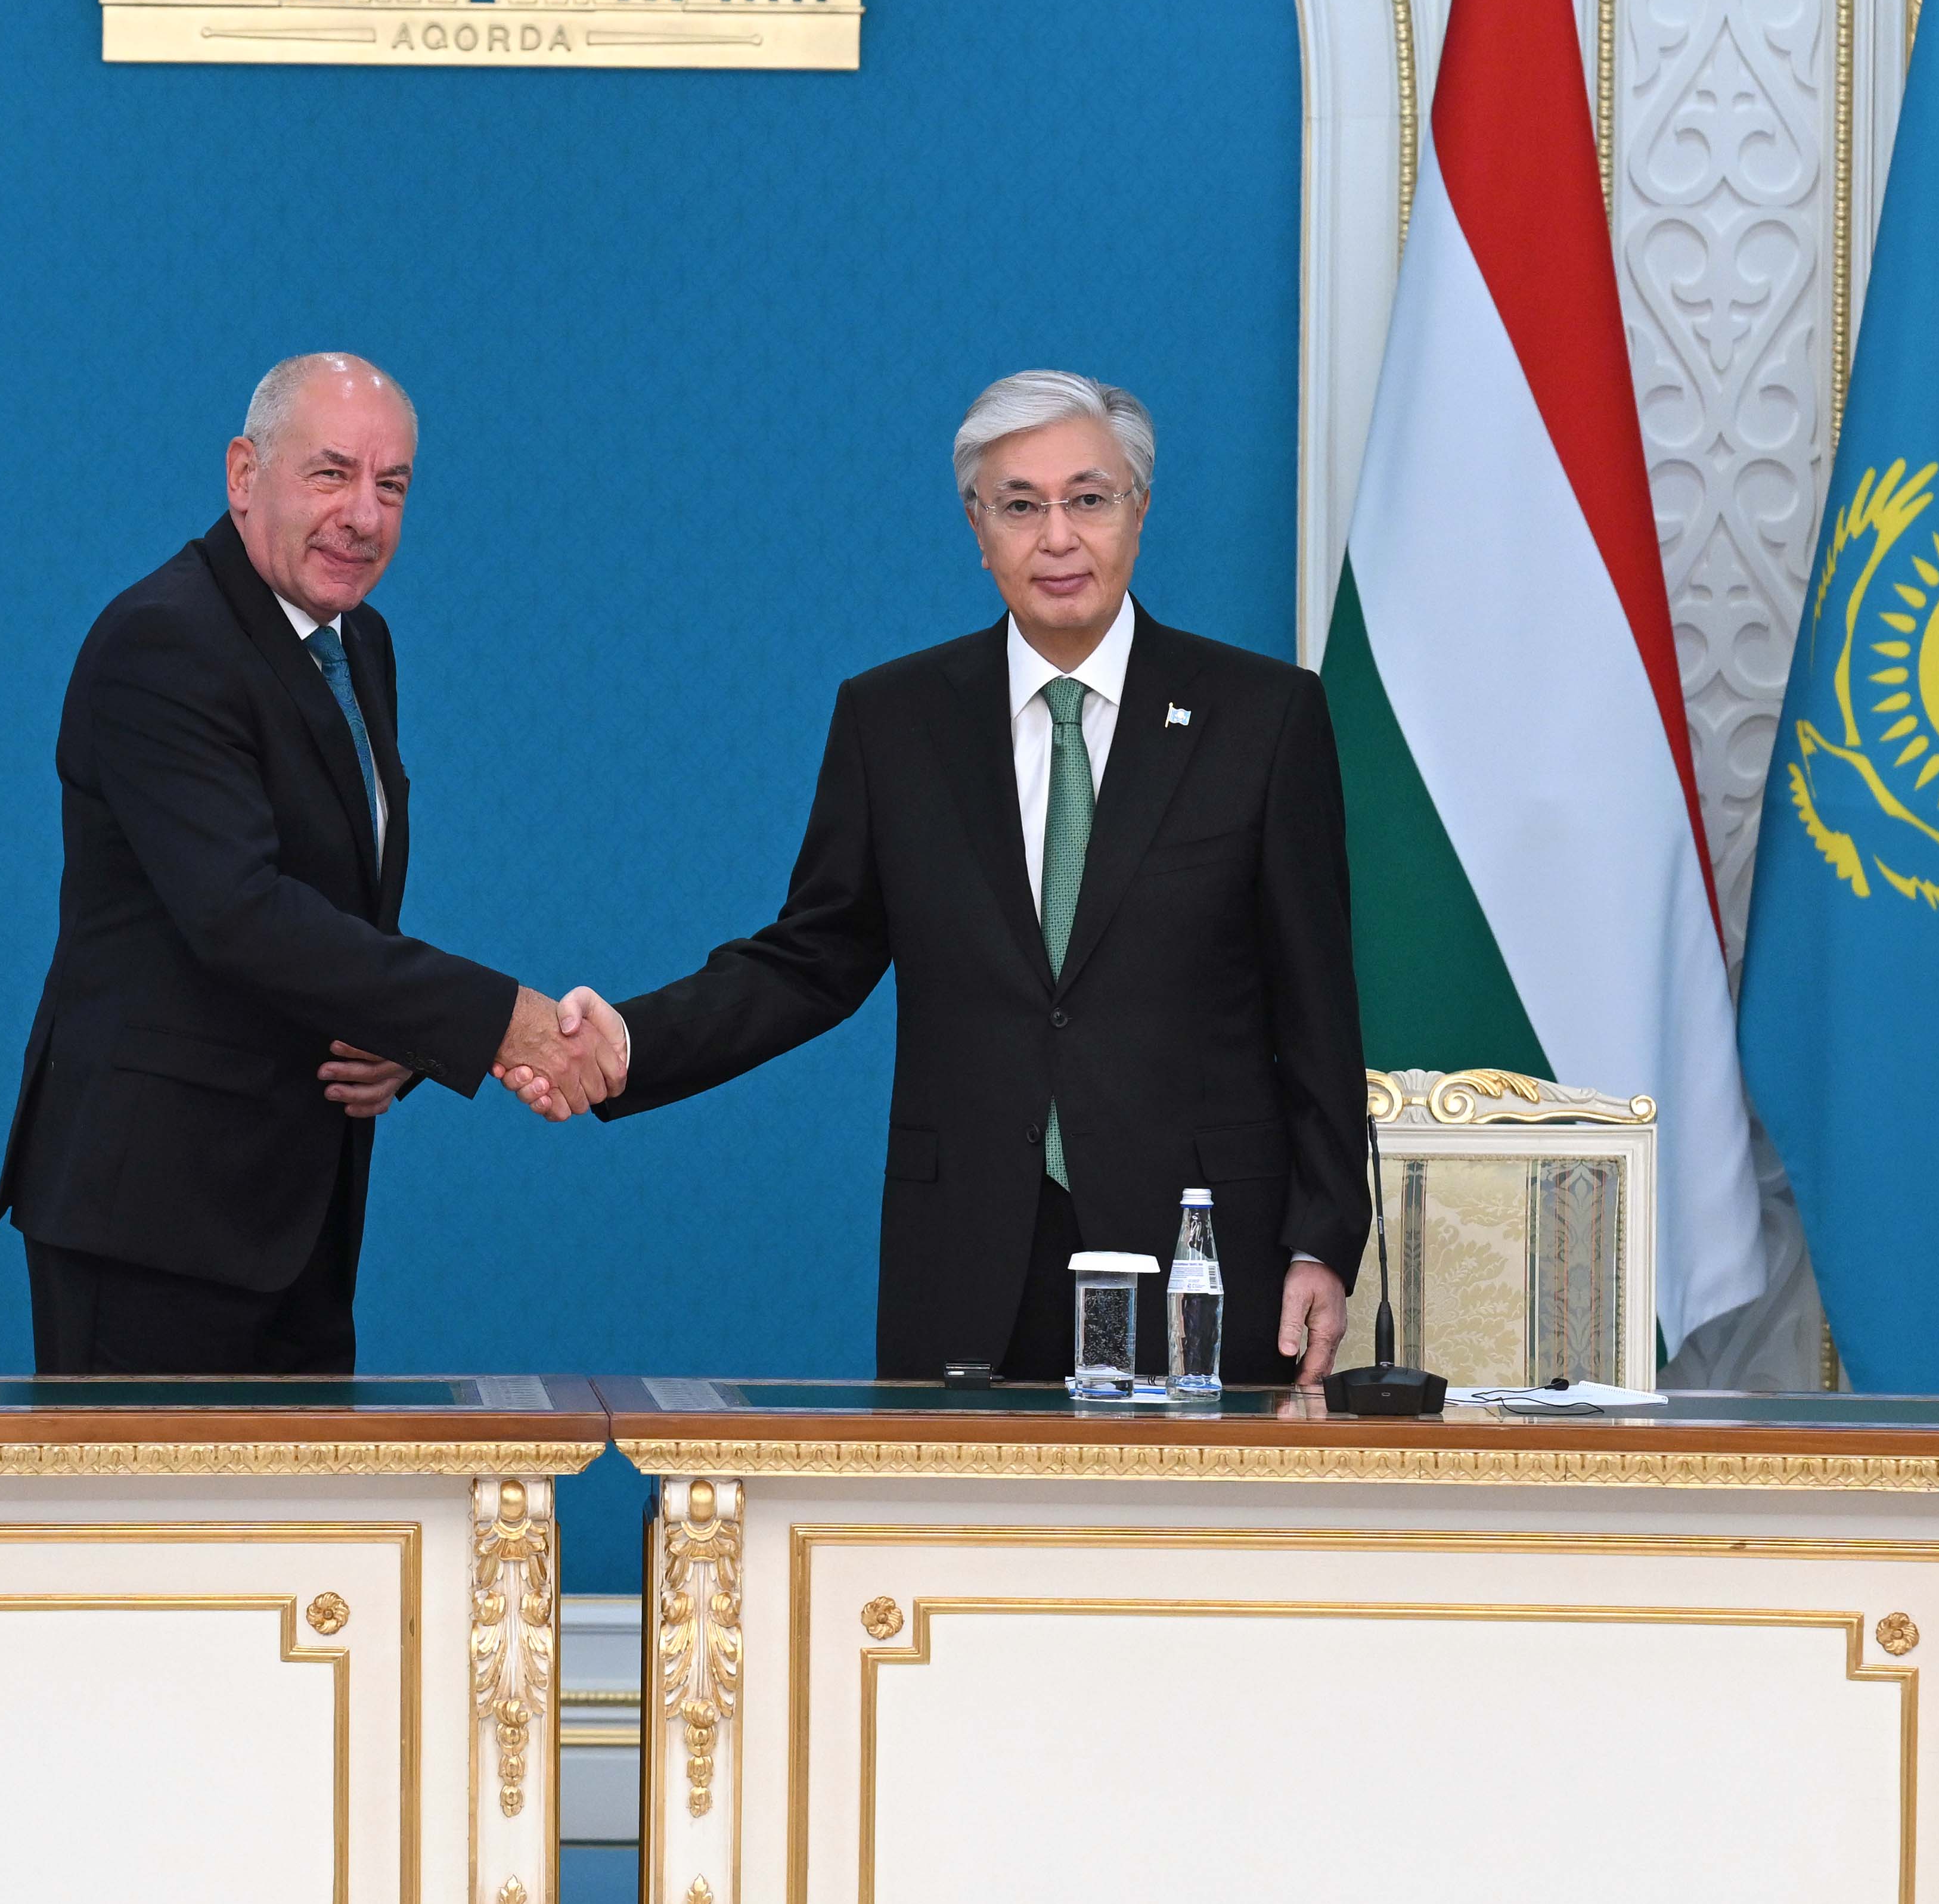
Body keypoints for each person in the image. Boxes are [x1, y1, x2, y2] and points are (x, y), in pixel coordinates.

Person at [510, 371, 1368, 1385]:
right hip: (968, 1244)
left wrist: (1321, 1238)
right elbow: (812, 958)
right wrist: (628, 1042)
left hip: (1201, 1250)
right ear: (977, 528)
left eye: (1088, 499)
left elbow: (1316, 1006)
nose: (1057, 537)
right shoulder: (896, 720)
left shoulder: (1262, 717)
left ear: (1138, 511)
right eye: (1020, 506)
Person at [0, 353, 619, 1374]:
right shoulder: (164, 641)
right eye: (331, 474)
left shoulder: (356, 642)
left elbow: (338, 905)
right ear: (244, 475)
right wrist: (498, 1021)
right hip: (152, 1217)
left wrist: (401, 1035)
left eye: (391, 486)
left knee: (310, 1489)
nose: (363, 517)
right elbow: (240, 913)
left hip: (296, 1209)